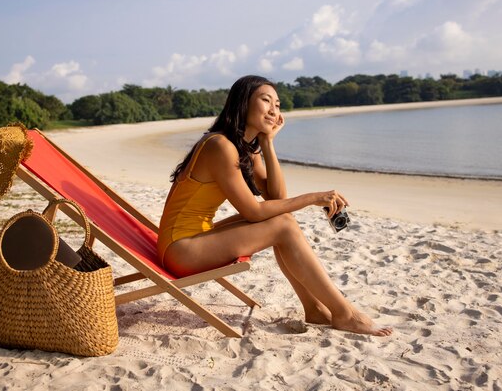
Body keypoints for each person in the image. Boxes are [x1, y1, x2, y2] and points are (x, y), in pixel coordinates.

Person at [157, 75, 392, 336]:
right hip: (181, 250)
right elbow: (253, 211)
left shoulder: (243, 146)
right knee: (283, 226)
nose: (273, 110)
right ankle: (345, 314)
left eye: (278, 105)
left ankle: (314, 308)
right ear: (243, 104)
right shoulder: (220, 146)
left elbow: (276, 199)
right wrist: (313, 198)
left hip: (193, 240)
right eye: (265, 101)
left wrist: (268, 143)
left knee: (285, 222)